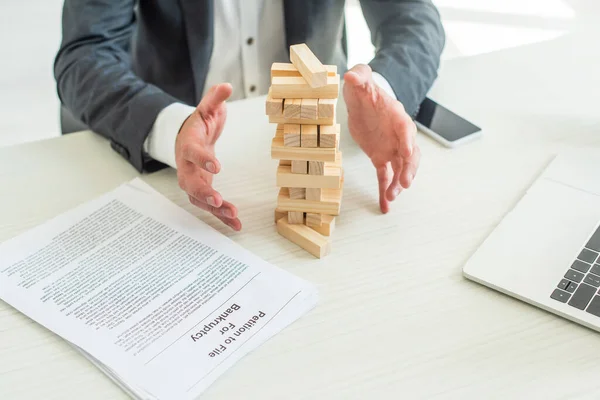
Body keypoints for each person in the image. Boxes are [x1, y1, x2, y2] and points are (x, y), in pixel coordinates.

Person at [54, 0, 445, 231]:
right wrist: (171, 126)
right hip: (177, 164)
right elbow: (85, 53)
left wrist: (381, 90)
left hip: (322, 139)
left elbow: (414, 19)